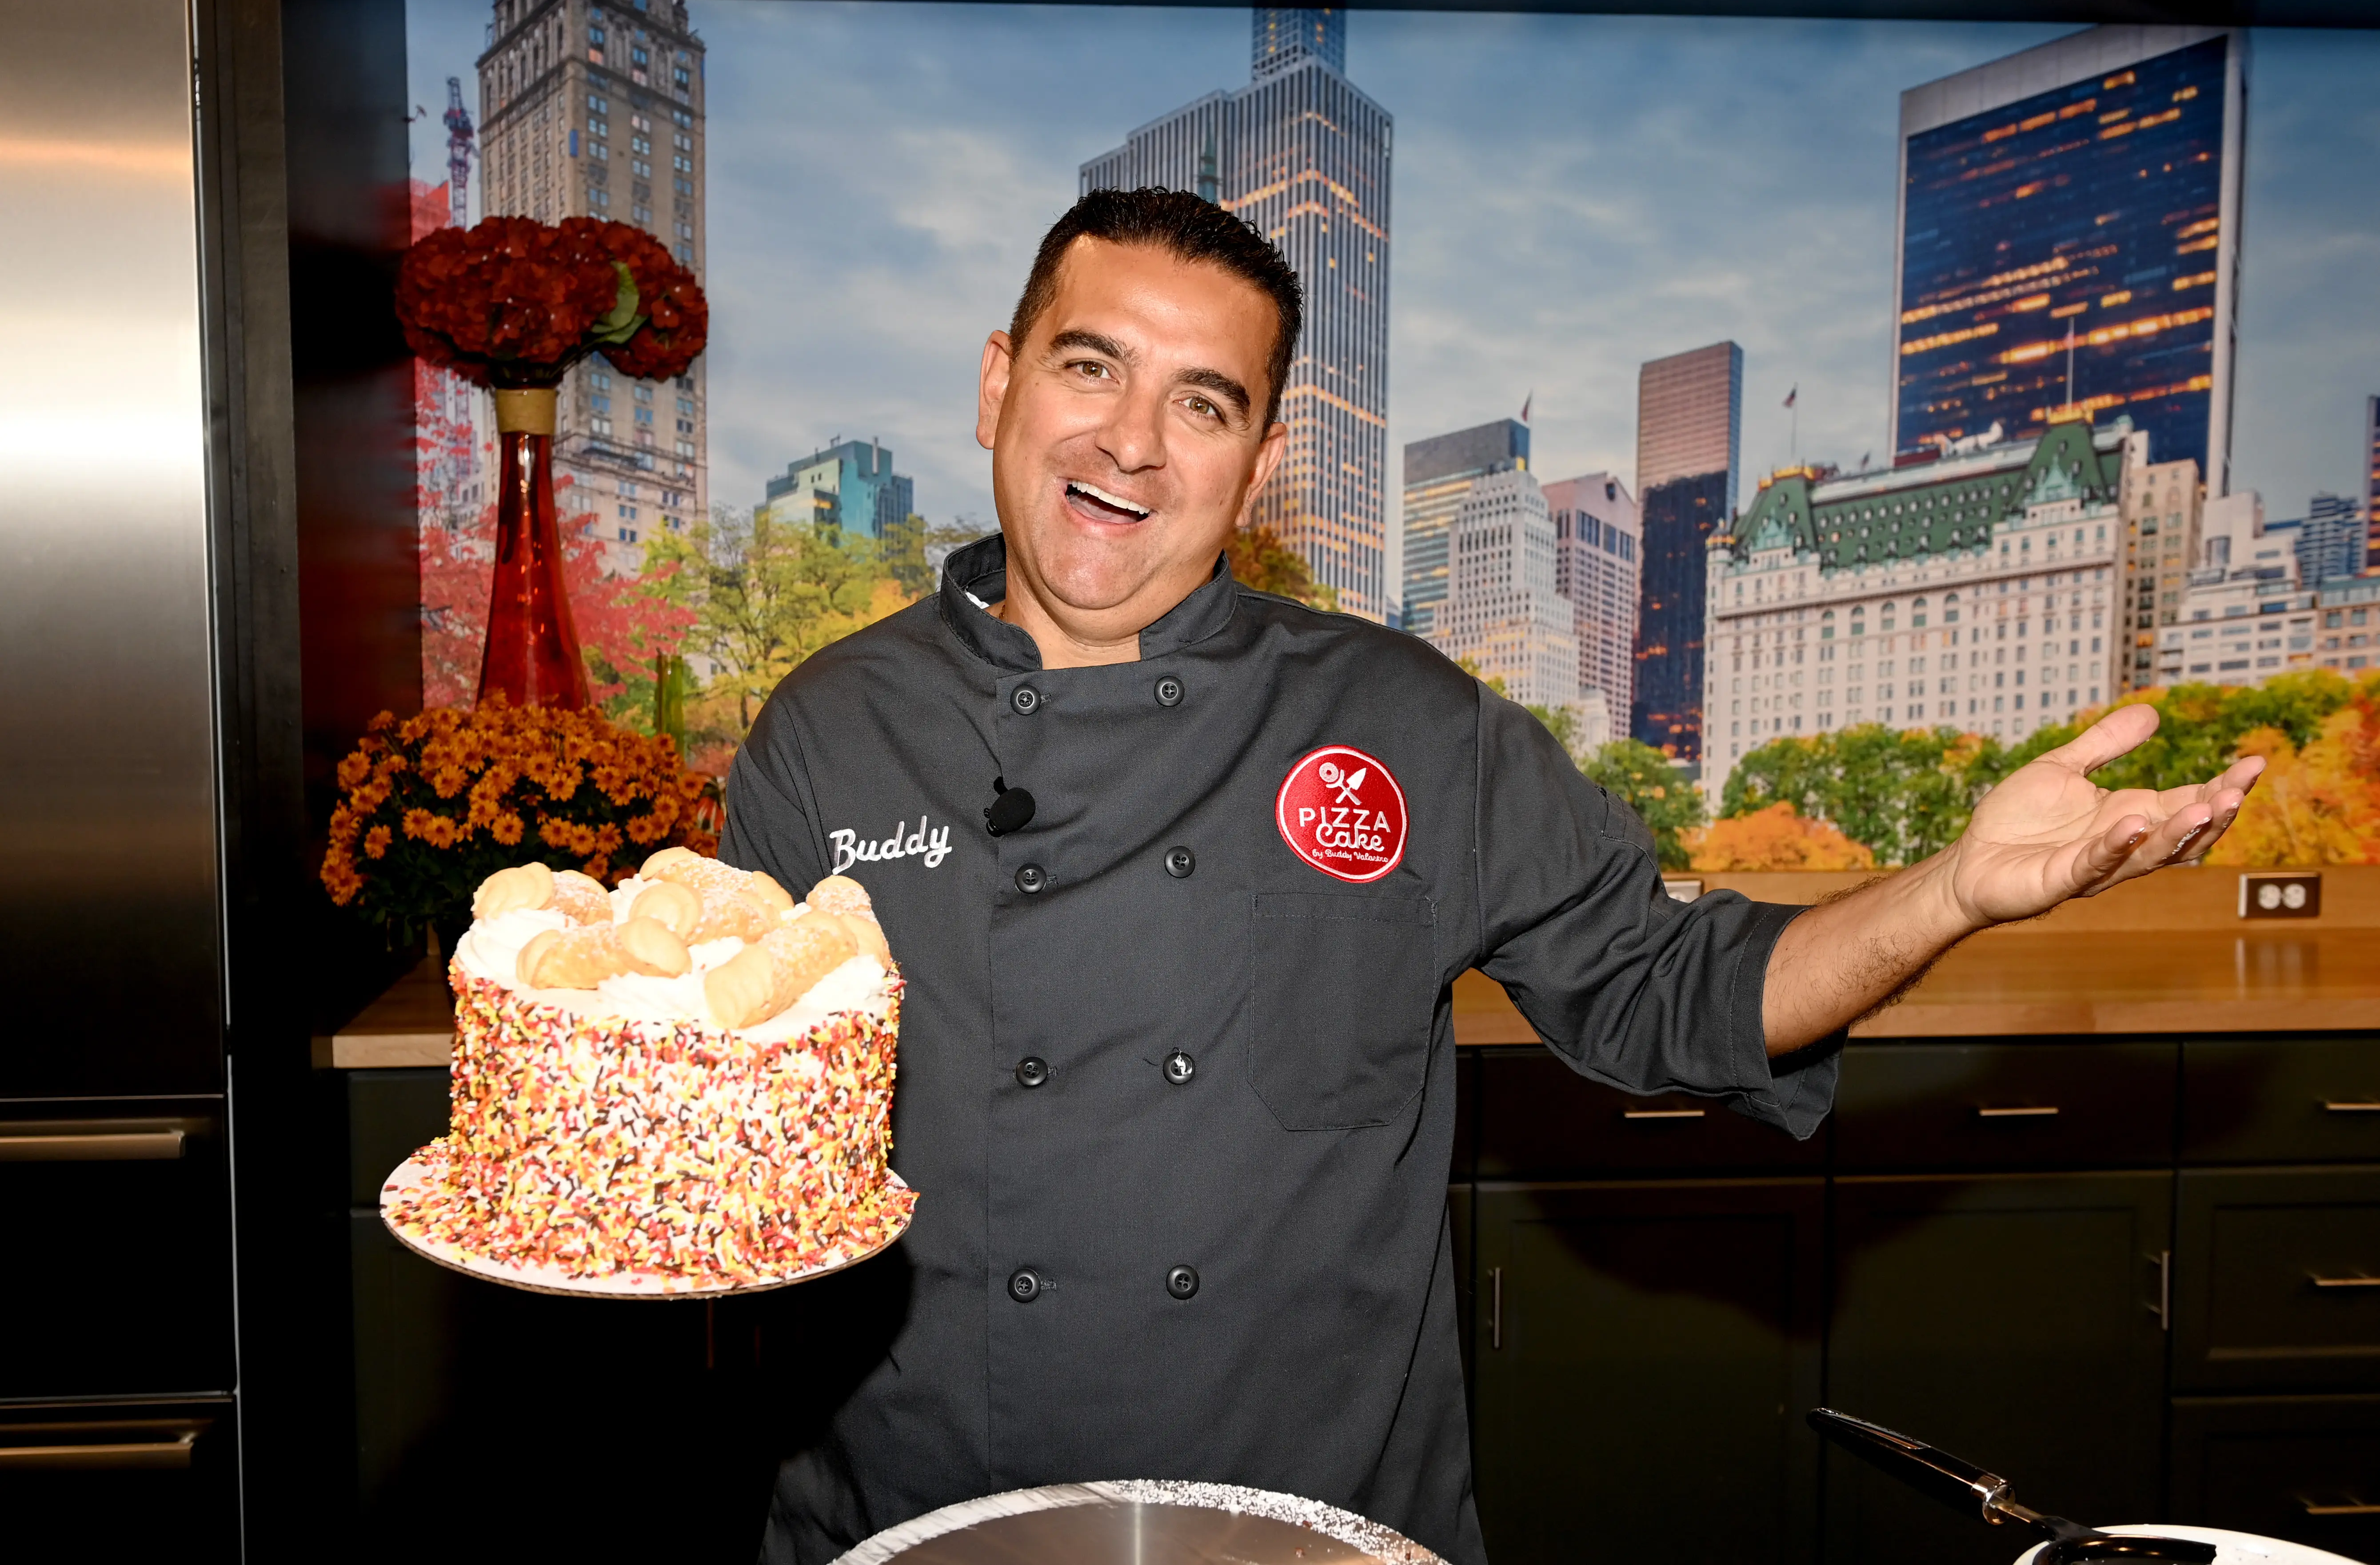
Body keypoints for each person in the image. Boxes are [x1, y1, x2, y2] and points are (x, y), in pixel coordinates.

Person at [723, 188, 2259, 1565]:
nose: (1131, 440)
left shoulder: (1403, 724)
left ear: (1256, 464)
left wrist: (1954, 889)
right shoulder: (828, 733)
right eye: (1088, 366)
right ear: (999, 380)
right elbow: (732, 1147)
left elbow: (1671, 992)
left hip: (1316, 1528)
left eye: (1203, 403)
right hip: (911, 1520)